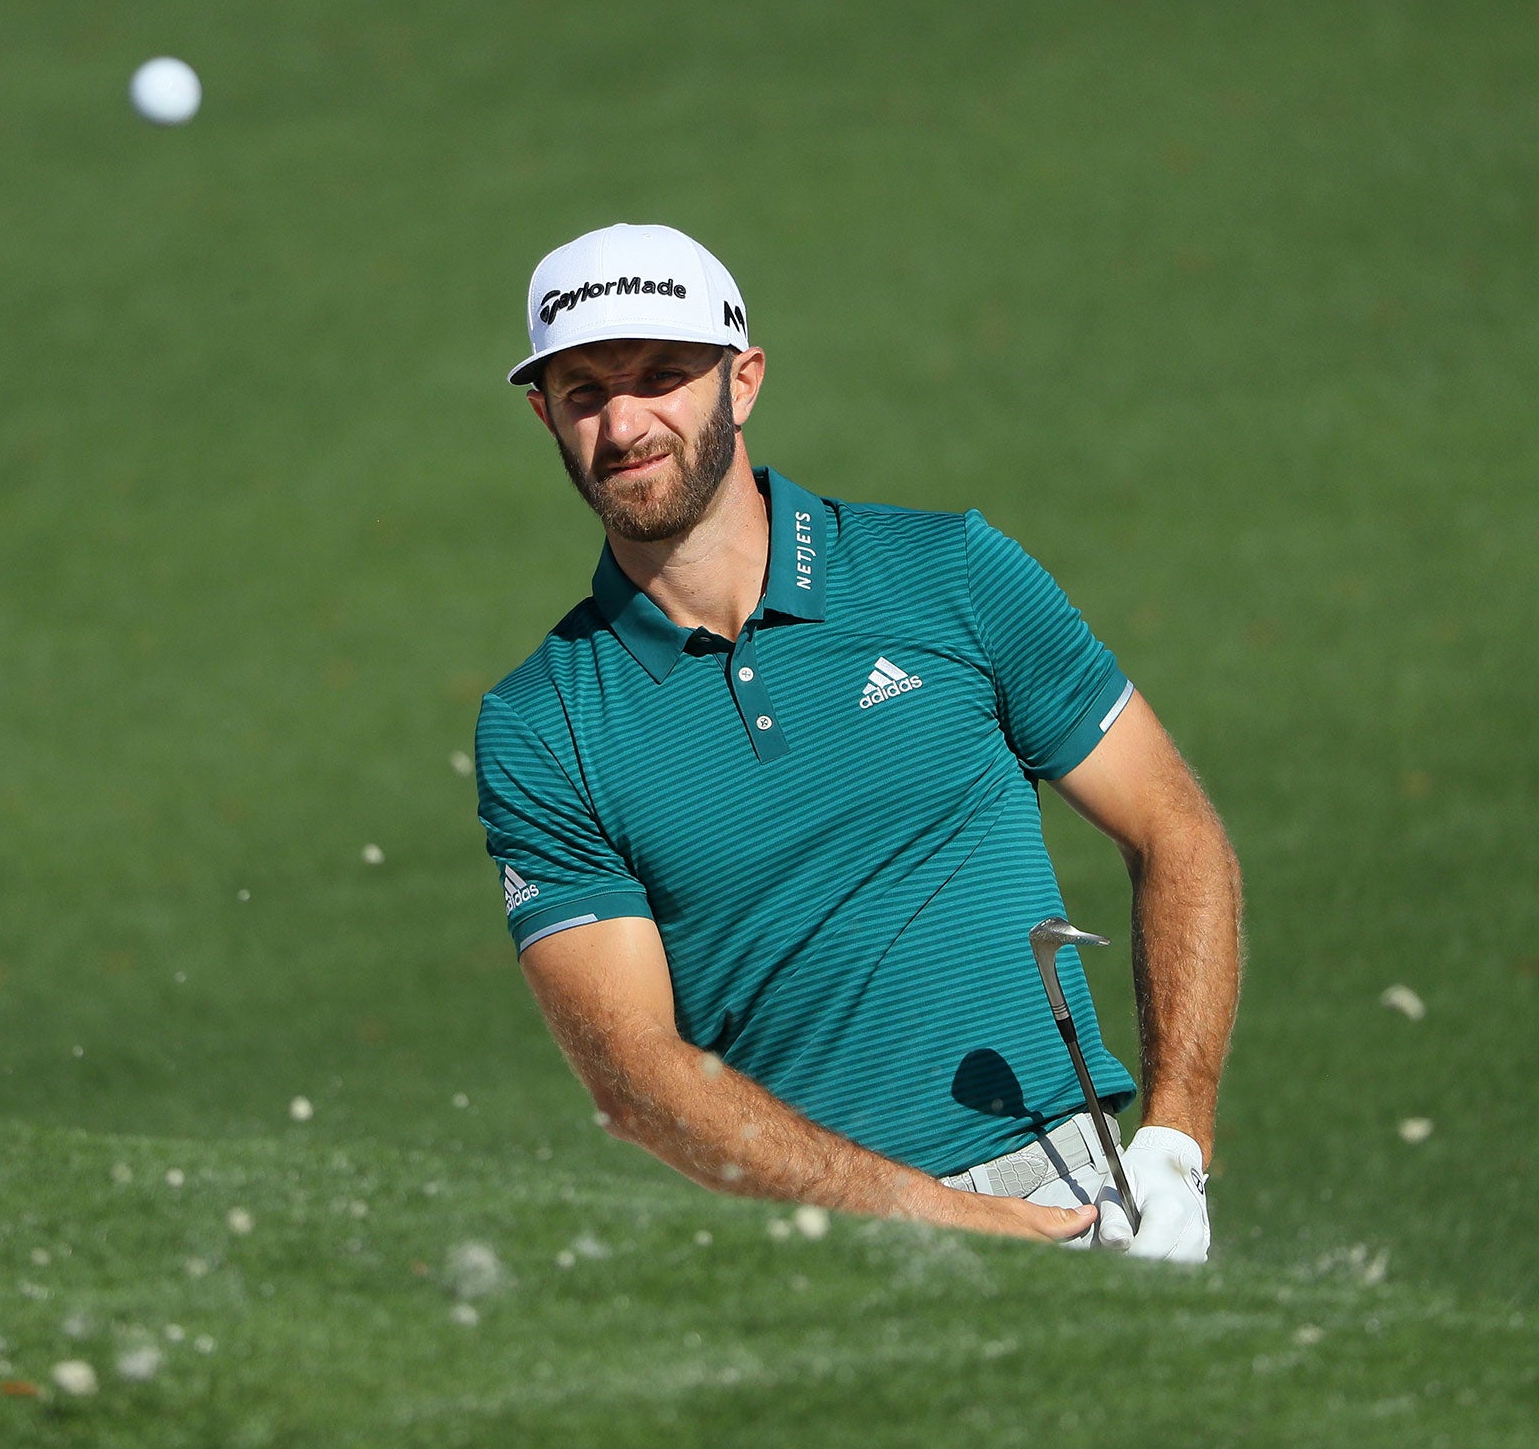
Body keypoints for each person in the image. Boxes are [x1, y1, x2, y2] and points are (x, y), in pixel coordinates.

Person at [473, 224, 1241, 1260]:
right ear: (543, 415)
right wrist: (953, 1222)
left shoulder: (949, 573)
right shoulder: (539, 725)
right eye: (584, 393)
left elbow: (1171, 827)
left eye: (661, 376)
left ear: (740, 383)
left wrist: (1172, 1141)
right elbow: (633, 1077)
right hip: (823, 1248)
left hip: (1071, 1178)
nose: (623, 423)